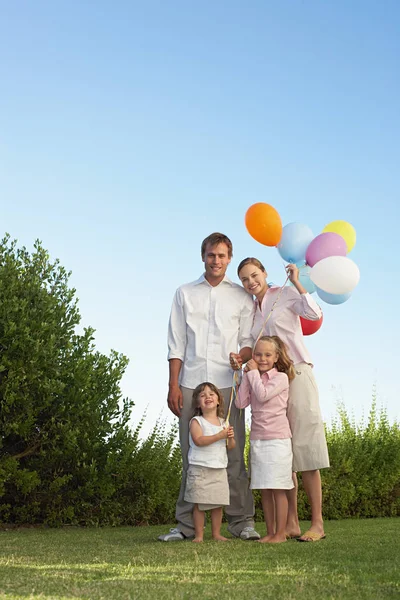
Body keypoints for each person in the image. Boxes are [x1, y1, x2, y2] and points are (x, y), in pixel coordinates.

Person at [158, 233, 260, 542]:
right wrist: (173, 385)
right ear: (203, 256)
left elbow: (248, 344)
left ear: (230, 258)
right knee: (192, 456)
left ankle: (242, 523)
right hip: (189, 383)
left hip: (228, 385)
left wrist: (239, 357)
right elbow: (176, 343)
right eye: (211, 254)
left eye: (222, 255)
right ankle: (187, 527)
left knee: (233, 453)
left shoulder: (242, 297)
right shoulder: (184, 293)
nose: (216, 260)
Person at [232, 257, 330, 543]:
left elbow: (312, 314)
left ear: (264, 273)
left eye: (254, 275)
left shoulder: (285, 292)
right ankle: (292, 524)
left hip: (297, 371)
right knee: (283, 452)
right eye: (245, 279)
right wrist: (241, 358)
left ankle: (318, 523)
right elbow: (253, 346)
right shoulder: (252, 310)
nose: (251, 282)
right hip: (272, 380)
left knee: (306, 449)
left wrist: (298, 281)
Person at [236, 336, 296, 543]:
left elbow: (262, 396)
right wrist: (246, 377)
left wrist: (252, 374)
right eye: (258, 354)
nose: (262, 359)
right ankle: (270, 532)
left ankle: (280, 533)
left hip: (278, 440)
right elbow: (241, 402)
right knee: (265, 488)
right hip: (258, 439)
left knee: (278, 487)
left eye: (268, 355)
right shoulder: (252, 377)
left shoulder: (280, 378)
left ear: (276, 357)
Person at [185, 382, 236, 542]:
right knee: (199, 503)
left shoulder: (223, 422)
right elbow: (199, 440)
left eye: (211, 394)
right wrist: (219, 436)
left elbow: (230, 446)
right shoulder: (196, 421)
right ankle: (199, 535)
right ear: (198, 403)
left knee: (217, 502)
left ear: (219, 400)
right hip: (200, 468)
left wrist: (230, 437)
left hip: (219, 468)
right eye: (203, 395)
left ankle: (216, 533)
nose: (207, 397)